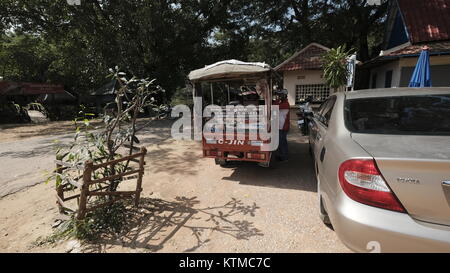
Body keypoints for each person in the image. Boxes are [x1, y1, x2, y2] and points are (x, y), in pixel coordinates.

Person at [274, 89, 290, 161]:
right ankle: (281, 155)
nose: (279, 96)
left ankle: (284, 157)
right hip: (279, 126)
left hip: (283, 127)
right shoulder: (281, 103)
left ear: (284, 95)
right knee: (280, 142)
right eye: (279, 95)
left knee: (282, 142)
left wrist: (277, 100)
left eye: (281, 95)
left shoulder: (286, 104)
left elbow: (274, 107)